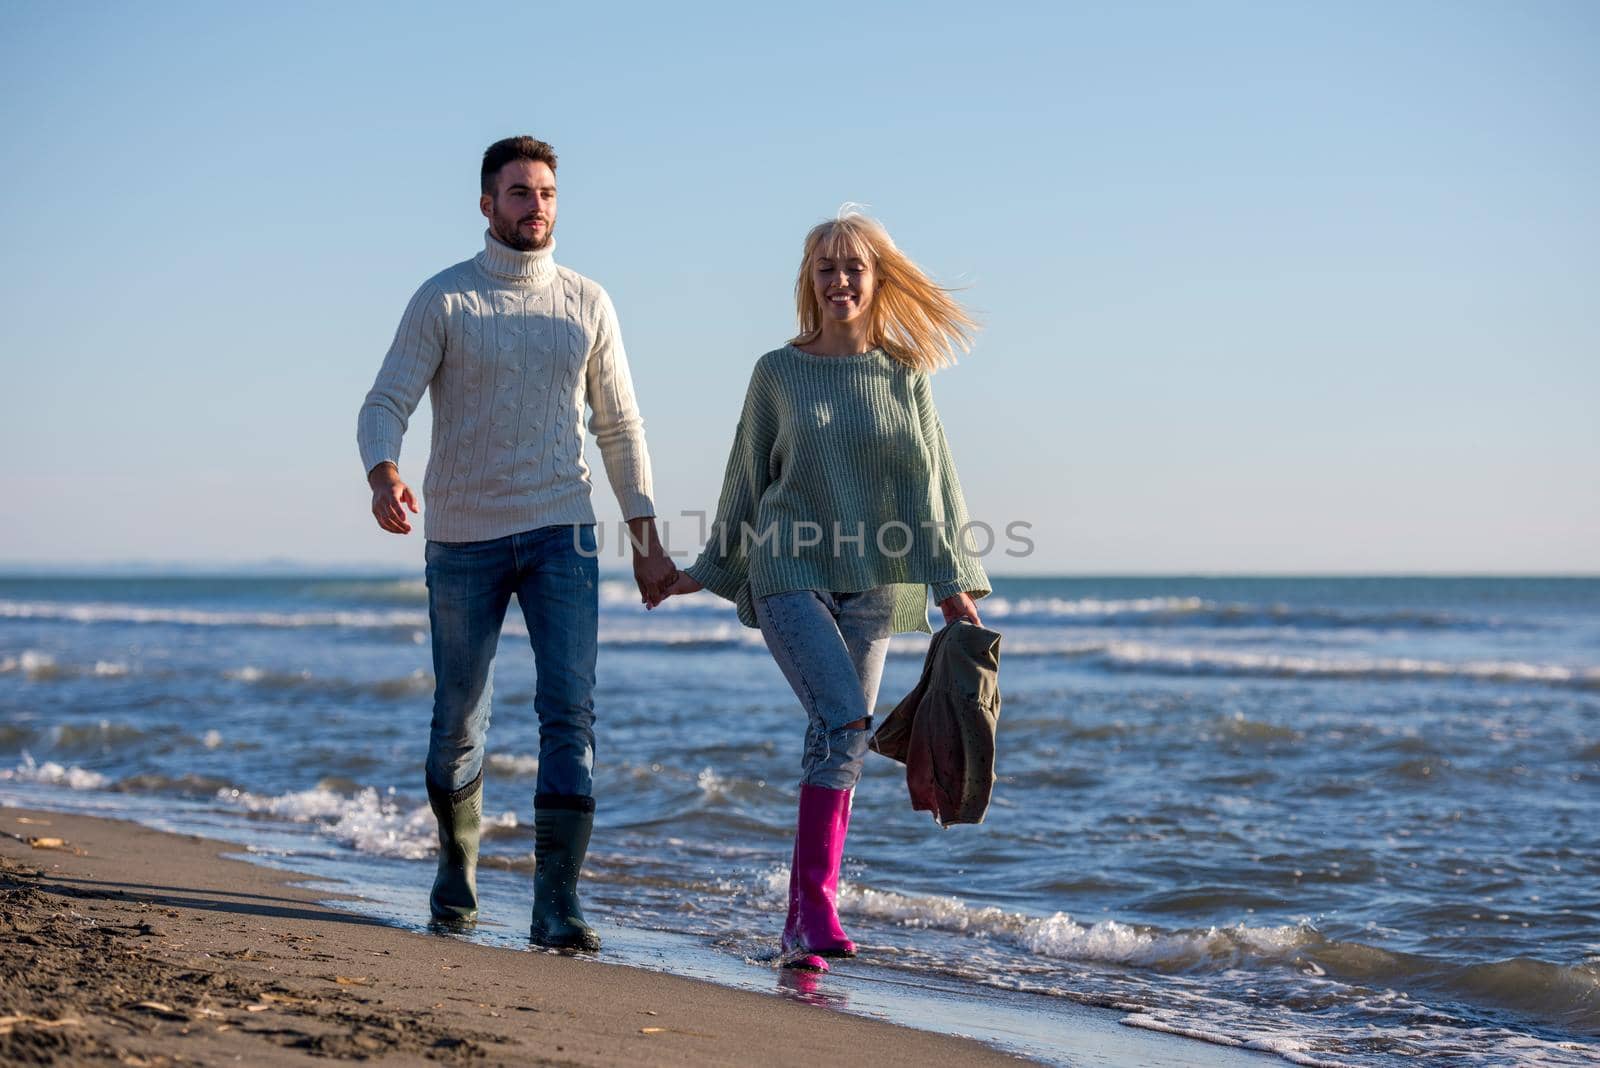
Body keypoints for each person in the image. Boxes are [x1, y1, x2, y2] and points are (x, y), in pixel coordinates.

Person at [357, 135, 676, 950]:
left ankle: (556, 902)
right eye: (519, 194)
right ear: (487, 205)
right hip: (463, 536)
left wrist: (644, 535)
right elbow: (386, 398)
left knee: (570, 713)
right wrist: (383, 472)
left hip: (561, 531)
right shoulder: (445, 299)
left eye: (546, 194)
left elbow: (620, 425)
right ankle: (456, 870)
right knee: (458, 719)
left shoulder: (587, 301)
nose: (536, 207)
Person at [658, 209, 990, 971]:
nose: (839, 281)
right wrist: (705, 568)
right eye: (825, 269)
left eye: (853, 269)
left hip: (872, 586)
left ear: (876, 280)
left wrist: (952, 586)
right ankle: (817, 911)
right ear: (809, 281)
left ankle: (800, 925)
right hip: (789, 574)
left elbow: (932, 490)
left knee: (839, 743)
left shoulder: (905, 376)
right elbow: (746, 481)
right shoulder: (778, 372)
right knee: (844, 723)